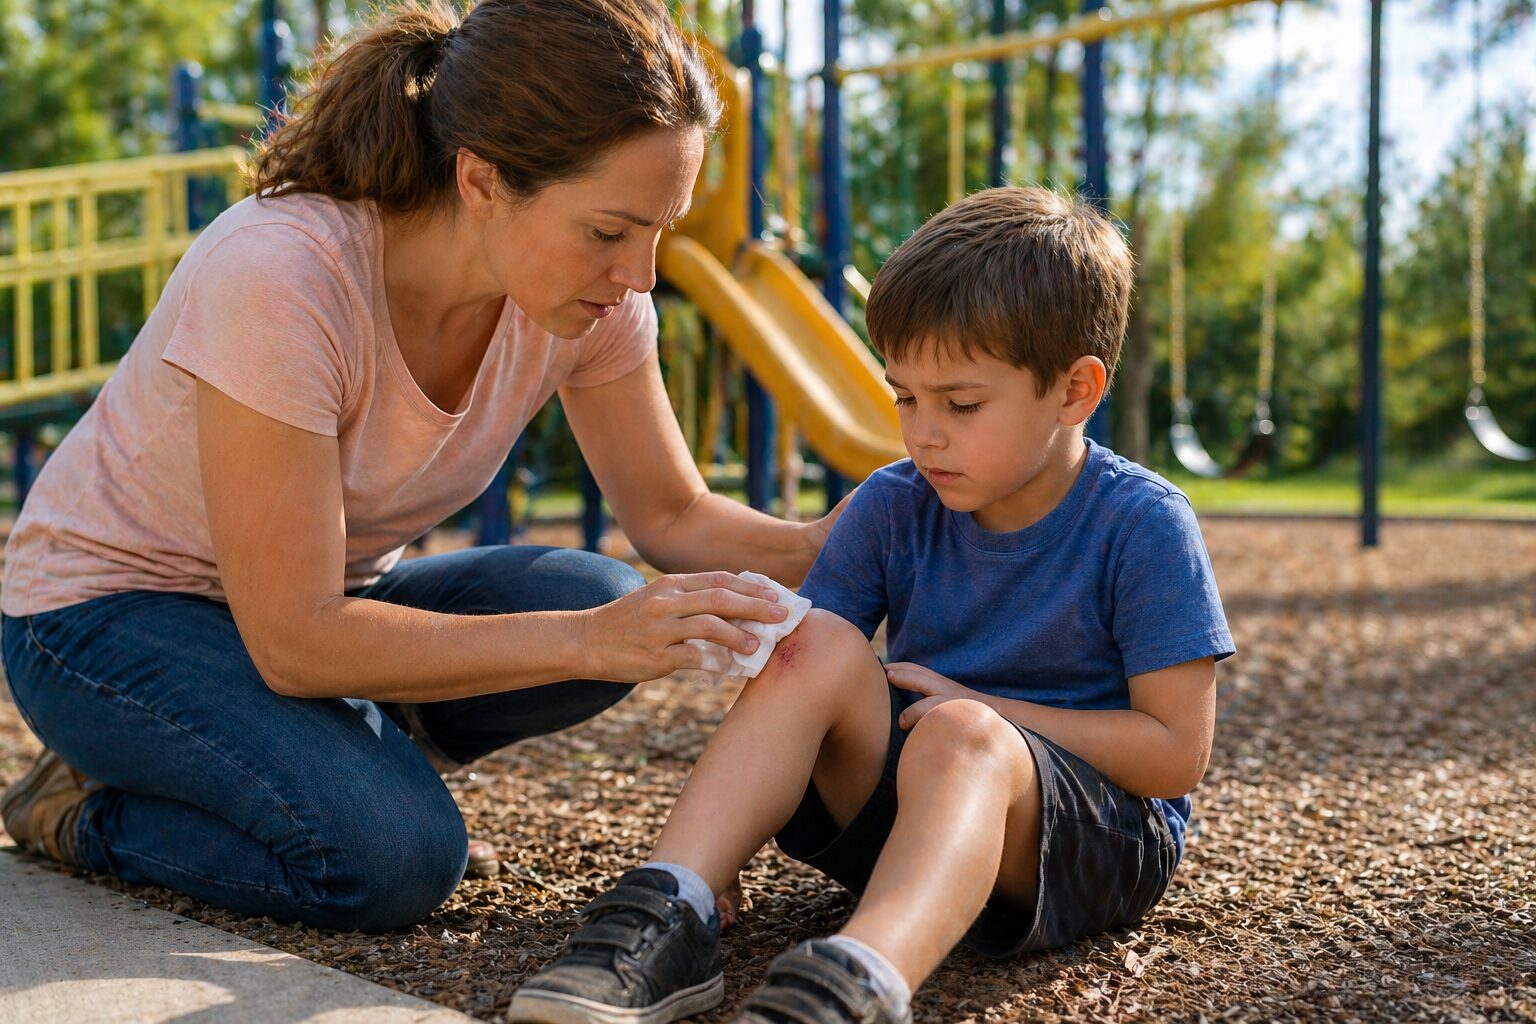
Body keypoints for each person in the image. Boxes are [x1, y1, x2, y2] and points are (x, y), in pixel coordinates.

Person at [0, 0, 845, 933]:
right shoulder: (283, 274)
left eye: (661, 229)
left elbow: (674, 516)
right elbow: (295, 639)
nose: (641, 273)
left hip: (311, 617)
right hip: (103, 620)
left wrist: (832, 538)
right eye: (609, 231)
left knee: (588, 585)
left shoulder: (588, 304)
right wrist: (591, 638)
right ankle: (79, 809)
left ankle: (321, 765)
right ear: (482, 180)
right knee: (393, 860)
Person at [510, 186, 1236, 1024]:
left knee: (963, 737)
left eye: (961, 405)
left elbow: (1174, 756)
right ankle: (671, 905)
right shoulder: (895, 503)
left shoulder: (1143, 525)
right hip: (909, 798)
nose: (923, 433)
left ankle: (859, 981)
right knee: (811, 639)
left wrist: (985, 711)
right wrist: (724, 841)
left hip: (1088, 839)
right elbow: (800, 675)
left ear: (1076, 391)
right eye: (905, 397)